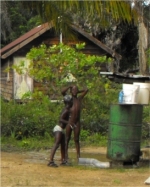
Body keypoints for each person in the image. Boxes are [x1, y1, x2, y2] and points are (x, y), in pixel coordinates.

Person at [61, 85, 88, 161]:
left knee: (76, 139)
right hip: (70, 121)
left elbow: (86, 89)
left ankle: (78, 155)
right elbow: (62, 92)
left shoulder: (79, 99)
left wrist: (77, 91)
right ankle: (65, 155)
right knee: (67, 138)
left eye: (76, 90)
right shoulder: (69, 99)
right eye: (73, 90)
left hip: (77, 122)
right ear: (71, 91)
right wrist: (69, 86)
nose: (74, 91)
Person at [47, 95, 73, 167]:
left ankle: (63, 160)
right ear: (69, 102)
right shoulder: (66, 110)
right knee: (56, 144)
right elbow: (60, 119)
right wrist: (68, 123)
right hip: (58, 129)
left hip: (61, 130)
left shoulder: (68, 109)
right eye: (72, 101)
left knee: (63, 145)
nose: (73, 102)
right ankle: (51, 161)